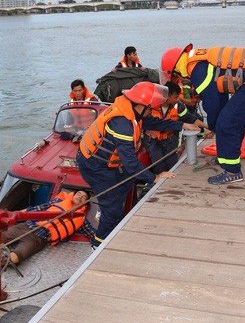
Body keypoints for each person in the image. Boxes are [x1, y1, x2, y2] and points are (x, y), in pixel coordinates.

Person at [77, 82, 199, 248]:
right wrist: (154, 177)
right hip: (95, 166)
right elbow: (130, 163)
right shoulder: (122, 125)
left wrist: (181, 125)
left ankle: (112, 216)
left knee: (125, 186)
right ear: (143, 106)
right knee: (113, 210)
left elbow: (154, 122)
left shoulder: (132, 109)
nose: (151, 111)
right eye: (151, 108)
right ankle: (97, 244)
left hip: (109, 162)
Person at [161, 44, 245, 184]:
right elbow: (219, 95)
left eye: (178, 77)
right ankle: (227, 156)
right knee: (232, 119)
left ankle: (232, 171)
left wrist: (213, 126)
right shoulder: (198, 61)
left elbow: (212, 102)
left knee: (227, 123)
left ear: (177, 70)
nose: (182, 80)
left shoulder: (197, 72)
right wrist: (215, 125)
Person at [142, 81, 208, 173]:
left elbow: (189, 118)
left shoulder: (179, 106)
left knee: (172, 165)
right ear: (167, 96)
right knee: (158, 164)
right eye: (176, 97)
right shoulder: (151, 106)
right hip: (152, 141)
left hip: (169, 140)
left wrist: (208, 127)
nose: (178, 99)